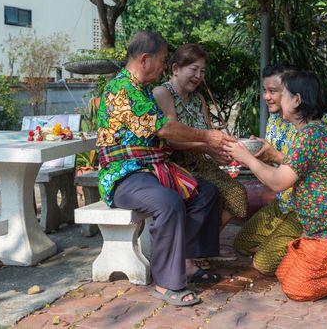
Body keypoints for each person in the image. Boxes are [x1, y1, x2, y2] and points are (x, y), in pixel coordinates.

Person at [225, 70, 327, 301]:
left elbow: (278, 182)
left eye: (282, 94)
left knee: (297, 289)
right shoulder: (312, 131)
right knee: (284, 271)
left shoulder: (310, 135)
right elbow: (296, 168)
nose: (274, 99)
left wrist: (247, 159)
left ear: (296, 100)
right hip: (323, 230)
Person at [96, 31, 234, 306]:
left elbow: (163, 133)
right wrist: (208, 137)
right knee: (168, 202)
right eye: (161, 61)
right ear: (145, 59)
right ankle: (166, 283)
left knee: (206, 193)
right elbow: (165, 129)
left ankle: (187, 263)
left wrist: (208, 144)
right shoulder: (122, 89)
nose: (162, 67)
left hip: (153, 170)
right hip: (123, 175)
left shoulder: (142, 90)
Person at [233, 63, 327, 275]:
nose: (266, 97)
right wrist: (257, 156)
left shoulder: (317, 126)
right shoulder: (275, 120)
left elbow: (303, 169)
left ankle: (311, 249)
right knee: (242, 244)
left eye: (274, 91)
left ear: (295, 95)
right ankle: (288, 242)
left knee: (263, 263)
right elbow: (276, 168)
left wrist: (264, 158)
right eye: (264, 91)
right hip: (284, 201)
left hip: (307, 207)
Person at [153, 44, 248, 235]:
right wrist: (207, 148)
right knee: (209, 194)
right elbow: (169, 138)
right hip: (174, 165)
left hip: (202, 164)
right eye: (194, 69)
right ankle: (193, 249)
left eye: (202, 71)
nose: (199, 76)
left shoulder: (199, 99)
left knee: (239, 196)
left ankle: (200, 243)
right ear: (175, 69)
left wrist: (224, 151)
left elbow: (210, 134)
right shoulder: (162, 93)